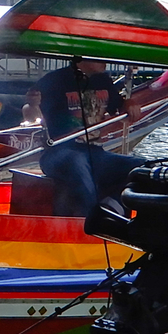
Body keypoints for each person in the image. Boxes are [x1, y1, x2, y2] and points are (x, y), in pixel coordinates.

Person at [27, 55, 134, 223]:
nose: (105, 58)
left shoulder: (103, 81)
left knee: (141, 168)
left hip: (96, 153)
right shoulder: (54, 80)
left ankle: (113, 206)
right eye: (98, 55)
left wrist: (129, 105)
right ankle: (89, 224)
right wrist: (32, 105)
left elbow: (122, 111)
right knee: (79, 167)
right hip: (58, 152)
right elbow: (29, 111)